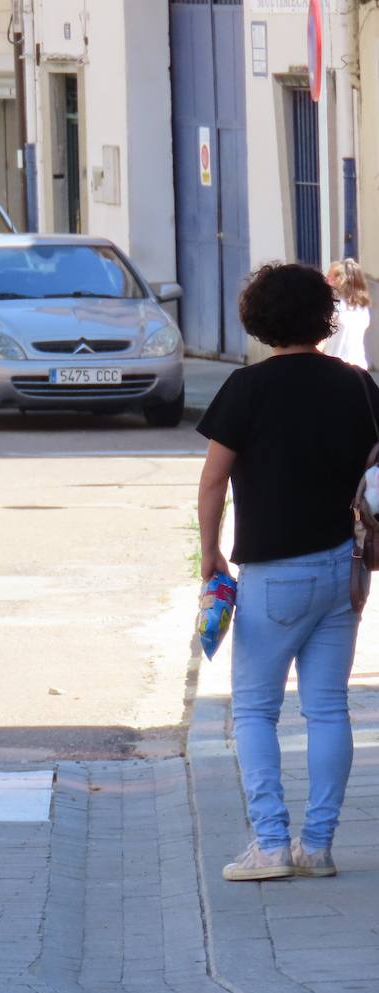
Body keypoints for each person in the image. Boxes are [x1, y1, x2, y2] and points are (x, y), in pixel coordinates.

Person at [197, 262, 379, 881]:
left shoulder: (246, 389)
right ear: (324, 317)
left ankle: (270, 845)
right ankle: (317, 846)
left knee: (254, 711)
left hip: (273, 575)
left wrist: (209, 554)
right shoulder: (358, 386)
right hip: (343, 571)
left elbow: (213, 481)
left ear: (258, 320)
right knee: (328, 709)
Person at [323, 258, 371, 369]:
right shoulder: (362, 308)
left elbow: (321, 341)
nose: (326, 279)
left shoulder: (334, 307)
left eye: (329, 276)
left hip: (336, 366)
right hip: (359, 365)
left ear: (339, 279)